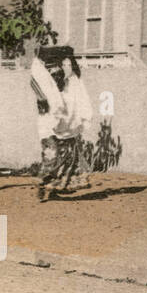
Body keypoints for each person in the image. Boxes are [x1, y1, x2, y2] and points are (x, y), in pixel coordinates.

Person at [32, 47, 79, 201]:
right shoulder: (39, 70)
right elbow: (33, 82)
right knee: (51, 153)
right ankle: (42, 183)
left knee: (63, 154)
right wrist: (41, 98)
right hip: (47, 122)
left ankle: (51, 187)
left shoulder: (51, 72)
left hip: (59, 121)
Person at [61, 56, 95, 192]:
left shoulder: (77, 82)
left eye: (68, 65)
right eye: (63, 65)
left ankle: (78, 177)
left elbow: (83, 100)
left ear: (73, 66)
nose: (65, 68)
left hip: (73, 121)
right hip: (64, 121)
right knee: (70, 149)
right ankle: (80, 176)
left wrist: (85, 118)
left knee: (70, 149)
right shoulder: (62, 82)